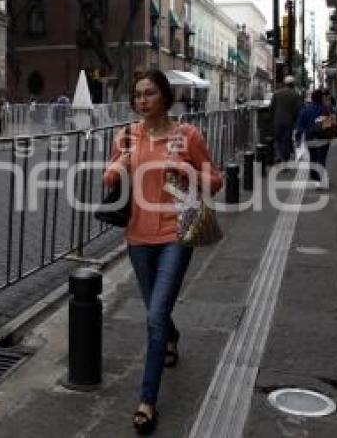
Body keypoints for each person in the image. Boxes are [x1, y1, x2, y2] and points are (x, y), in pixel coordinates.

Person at [103, 70, 223, 435]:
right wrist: (116, 168)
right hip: (138, 236)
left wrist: (189, 170)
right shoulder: (125, 136)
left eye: (149, 94)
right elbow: (109, 178)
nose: (142, 101)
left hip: (176, 233)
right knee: (155, 308)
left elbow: (215, 181)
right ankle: (171, 338)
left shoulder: (188, 136)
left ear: (165, 97)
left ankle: (147, 400)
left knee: (154, 314)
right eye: (137, 95)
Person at [294, 89, 330, 186]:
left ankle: (315, 178)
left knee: (313, 159)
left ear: (312, 98)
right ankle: (320, 179)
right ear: (321, 98)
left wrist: (298, 140)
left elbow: (300, 126)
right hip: (323, 139)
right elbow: (328, 125)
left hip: (310, 139)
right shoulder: (325, 109)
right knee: (322, 160)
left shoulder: (306, 110)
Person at [270, 76, 302, 162]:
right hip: (289, 122)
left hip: (277, 121)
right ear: (293, 84)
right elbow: (298, 110)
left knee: (277, 139)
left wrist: (273, 118)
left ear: (285, 84)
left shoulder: (277, 93)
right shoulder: (295, 95)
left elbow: (271, 107)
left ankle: (278, 155)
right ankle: (285, 158)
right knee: (286, 140)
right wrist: (295, 121)